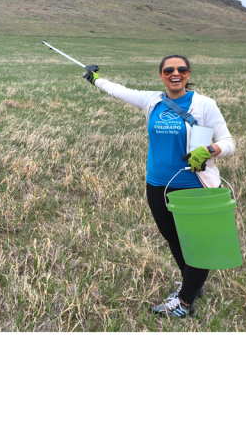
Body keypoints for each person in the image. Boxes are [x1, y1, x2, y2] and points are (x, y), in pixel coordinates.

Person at [84, 54, 235, 318]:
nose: (175, 73)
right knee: (174, 238)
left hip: (193, 186)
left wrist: (211, 150)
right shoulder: (152, 100)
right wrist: (96, 80)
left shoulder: (204, 105)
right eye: (169, 70)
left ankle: (184, 302)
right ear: (161, 74)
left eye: (181, 69)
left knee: (197, 244)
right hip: (157, 185)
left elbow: (228, 142)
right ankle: (192, 284)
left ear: (188, 74)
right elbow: (120, 91)